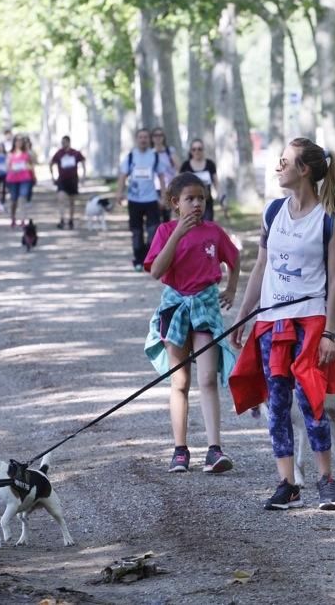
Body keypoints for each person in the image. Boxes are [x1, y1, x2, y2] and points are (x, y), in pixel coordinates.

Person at [229, 137, 335, 512]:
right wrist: (243, 316)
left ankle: (326, 481)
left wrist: (330, 331)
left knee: (311, 399)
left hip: (310, 319)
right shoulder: (273, 212)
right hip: (271, 321)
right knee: (276, 403)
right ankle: (287, 484)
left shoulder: (329, 218)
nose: (278, 167)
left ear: (304, 170)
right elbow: (260, 267)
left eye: (285, 162)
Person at [144, 172, 241, 474]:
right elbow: (157, 270)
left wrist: (231, 289)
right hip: (175, 309)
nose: (197, 204)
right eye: (190, 199)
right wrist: (177, 235)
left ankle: (214, 449)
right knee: (180, 381)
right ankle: (180, 450)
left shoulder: (214, 232)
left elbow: (234, 259)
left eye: (201, 198)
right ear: (176, 203)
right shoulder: (165, 231)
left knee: (208, 378)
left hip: (205, 308)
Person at [116, 128, 168, 271]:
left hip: (151, 199)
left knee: (153, 231)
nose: (143, 140)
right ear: (137, 139)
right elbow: (122, 175)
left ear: (149, 139)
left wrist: (163, 196)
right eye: (140, 137)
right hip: (134, 200)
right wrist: (119, 193)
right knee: (136, 231)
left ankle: (149, 259)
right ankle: (138, 260)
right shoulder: (131, 156)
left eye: (146, 137)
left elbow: (162, 176)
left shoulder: (154, 156)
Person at [49, 135, 86, 230]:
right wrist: (53, 177)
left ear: (69, 142)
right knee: (61, 198)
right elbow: (51, 163)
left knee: (71, 201)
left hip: (73, 180)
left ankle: (71, 220)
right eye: (62, 143)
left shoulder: (75, 153)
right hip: (62, 180)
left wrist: (83, 176)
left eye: (65, 142)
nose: (63, 144)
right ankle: (62, 219)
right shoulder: (59, 153)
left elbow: (83, 162)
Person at [180, 138, 220, 222]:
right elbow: (179, 184)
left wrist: (219, 194)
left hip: (206, 202)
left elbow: (215, 181)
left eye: (199, 149)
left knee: (207, 225)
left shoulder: (210, 164)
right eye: (194, 149)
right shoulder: (185, 165)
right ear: (191, 151)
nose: (197, 151)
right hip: (190, 203)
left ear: (203, 150)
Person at [5, 136, 36, 228]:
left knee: (22, 198)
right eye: (17, 141)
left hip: (24, 179)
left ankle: (22, 219)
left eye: (20, 142)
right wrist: (13, 169)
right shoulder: (10, 154)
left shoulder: (26, 154)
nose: (19, 143)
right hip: (13, 179)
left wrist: (29, 170)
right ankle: (13, 217)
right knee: (14, 200)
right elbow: (7, 167)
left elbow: (31, 166)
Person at [151, 127, 179, 222]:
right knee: (154, 218)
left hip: (168, 188)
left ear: (164, 137)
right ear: (152, 138)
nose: (158, 138)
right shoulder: (149, 153)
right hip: (153, 189)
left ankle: (168, 236)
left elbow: (179, 167)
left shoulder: (169, 151)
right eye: (155, 135)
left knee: (167, 218)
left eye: (160, 135)